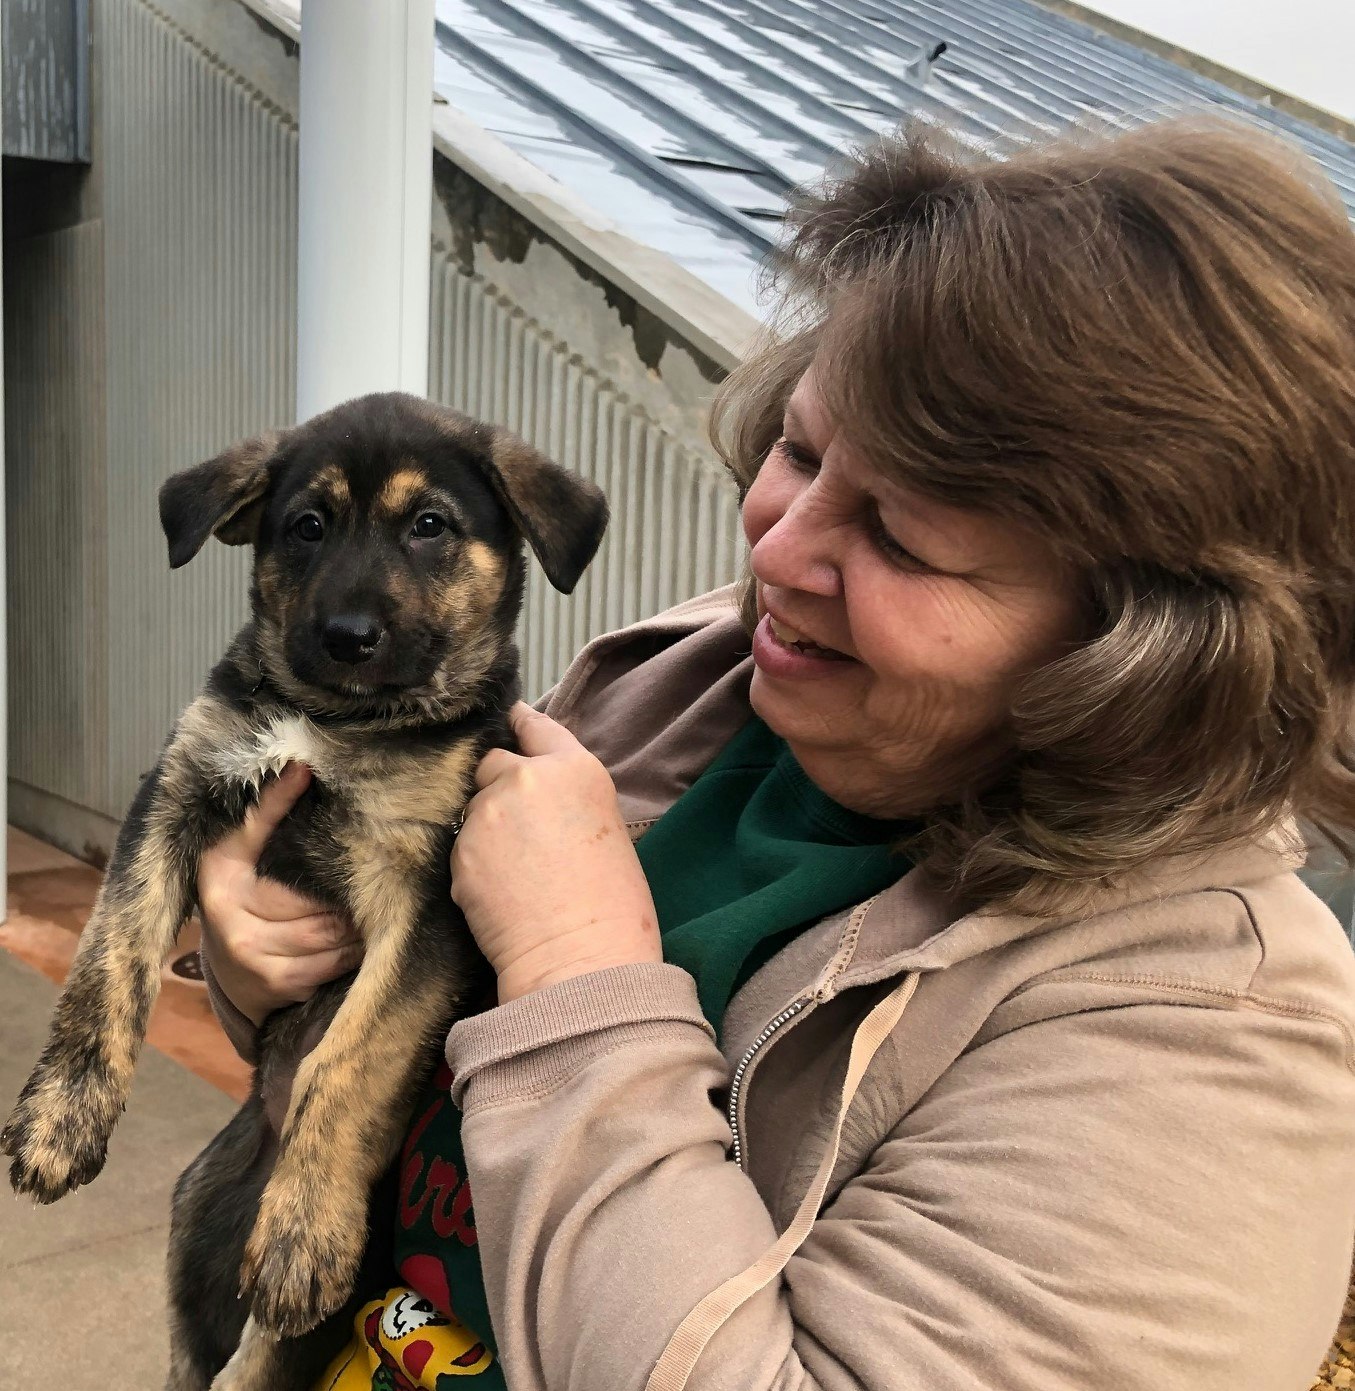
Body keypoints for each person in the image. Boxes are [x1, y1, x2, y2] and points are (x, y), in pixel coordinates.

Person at [197, 117, 1355, 1391]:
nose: (776, 550)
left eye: (905, 537)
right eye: (799, 449)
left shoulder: (1208, 1041)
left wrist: (574, 975)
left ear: (1151, 645)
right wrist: (275, 973)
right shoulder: (683, 680)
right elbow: (382, 1031)